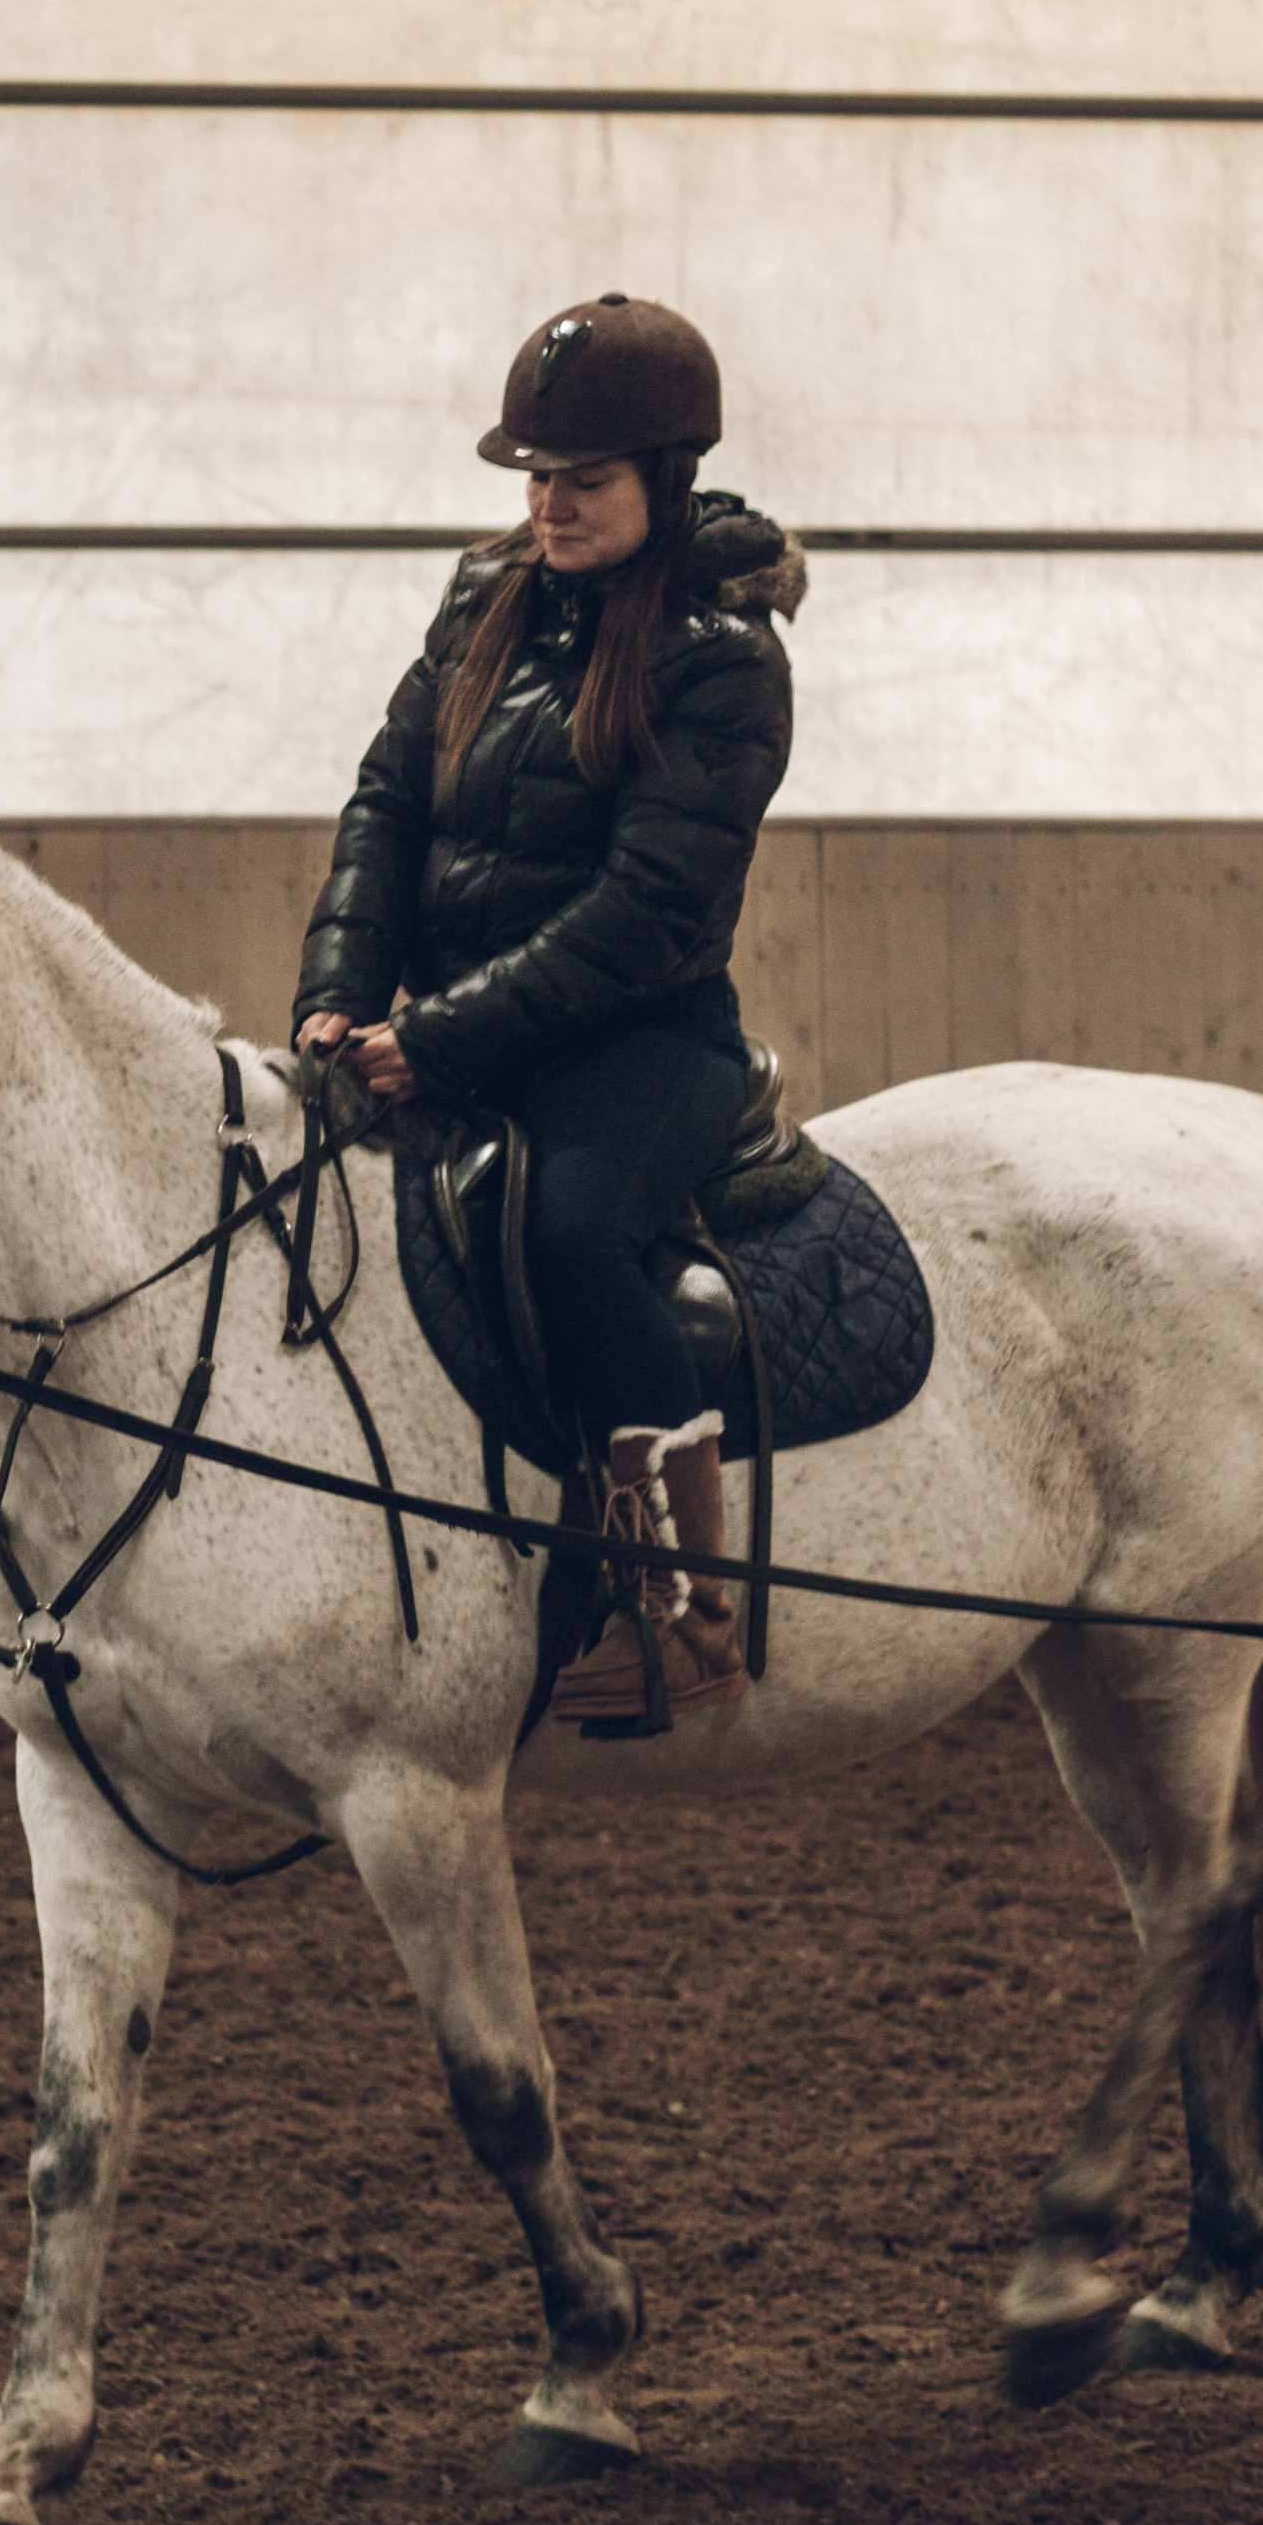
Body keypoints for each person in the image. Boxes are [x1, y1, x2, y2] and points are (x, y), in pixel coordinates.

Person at [291, 289, 801, 1728]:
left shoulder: (724, 657)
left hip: (637, 1043)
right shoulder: (482, 600)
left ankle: (689, 1612)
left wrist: (439, 1037)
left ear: (665, 479)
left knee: (572, 1227)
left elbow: (644, 915)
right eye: (536, 476)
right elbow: (388, 805)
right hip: (443, 1019)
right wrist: (338, 996)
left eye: (583, 479)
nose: (549, 502)